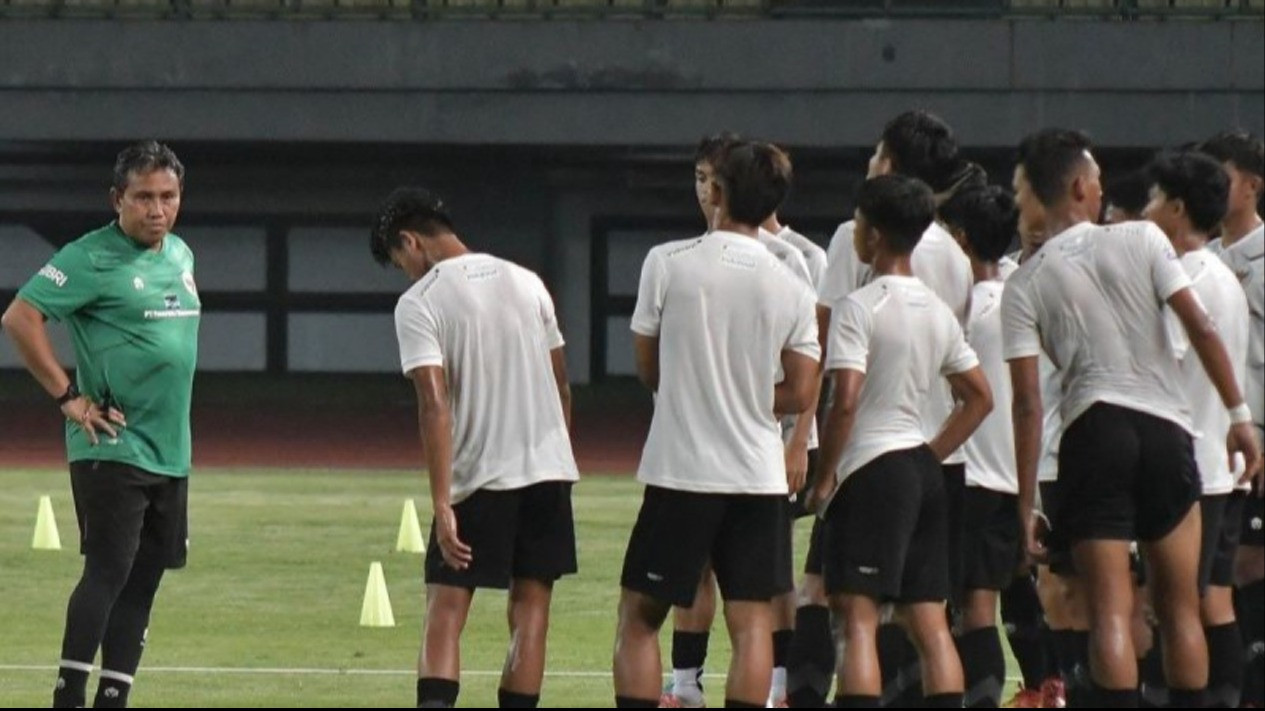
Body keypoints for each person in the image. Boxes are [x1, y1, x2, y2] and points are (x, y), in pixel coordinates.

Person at [1003, 128, 1263, 708]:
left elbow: (1026, 403)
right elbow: (1200, 326)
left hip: (1093, 432)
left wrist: (1026, 504)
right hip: (1167, 429)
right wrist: (1239, 415)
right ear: (1080, 186)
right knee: (1180, 608)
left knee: (1110, 613)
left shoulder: (1023, 284)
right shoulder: (1143, 237)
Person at [613, 140, 820, 709]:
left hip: (682, 469)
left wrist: (700, 388)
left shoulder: (668, 262)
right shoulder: (790, 282)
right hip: (757, 475)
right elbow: (802, 390)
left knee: (639, 615)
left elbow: (649, 368)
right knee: (751, 622)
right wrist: (747, 394)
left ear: (719, 191)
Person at [1, 141, 199, 709]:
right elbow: (20, 316)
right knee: (108, 573)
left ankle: (114, 699)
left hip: (170, 450)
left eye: (168, 196)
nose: (157, 209)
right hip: (111, 443)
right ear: (118, 199)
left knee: (145, 579)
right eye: (143, 198)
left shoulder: (182, 255)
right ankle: (69, 697)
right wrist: (69, 397)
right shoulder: (89, 257)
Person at [371, 187, 580, 709]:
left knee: (445, 608)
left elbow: (433, 404)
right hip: (549, 471)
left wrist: (441, 503)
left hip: (480, 475)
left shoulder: (420, 302)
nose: (406, 272)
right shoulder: (527, 280)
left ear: (410, 241)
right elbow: (562, 384)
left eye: (400, 261)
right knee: (532, 610)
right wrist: (559, 456)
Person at [806, 173, 994, 709]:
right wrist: (929, 455)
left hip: (872, 468)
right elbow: (979, 397)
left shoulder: (859, 307)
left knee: (857, 618)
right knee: (930, 621)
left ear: (875, 234)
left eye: (861, 224)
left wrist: (825, 479)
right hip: (921, 470)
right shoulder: (935, 309)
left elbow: (844, 400)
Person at [1142, 148, 1251, 707]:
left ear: (1178, 208)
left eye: (1156, 199)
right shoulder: (1224, 275)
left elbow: (1163, 362)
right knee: (1212, 600)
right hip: (1217, 468)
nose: (1147, 210)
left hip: (1188, 469)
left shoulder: (1185, 281)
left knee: (1175, 608)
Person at [939, 183, 1024, 708]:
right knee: (982, 610)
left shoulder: (960, 314)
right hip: (1011, 476)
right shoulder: (1021, 302)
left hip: (965, 474)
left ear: (962, 238)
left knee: (936, 613)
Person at [1199, 129, 1265, 711]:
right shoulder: (1203, 262)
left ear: (1251, 186)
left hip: (1257, 441)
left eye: (1223, 177)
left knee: (1248, 567)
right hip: (1213, 448)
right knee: (1222, 575)